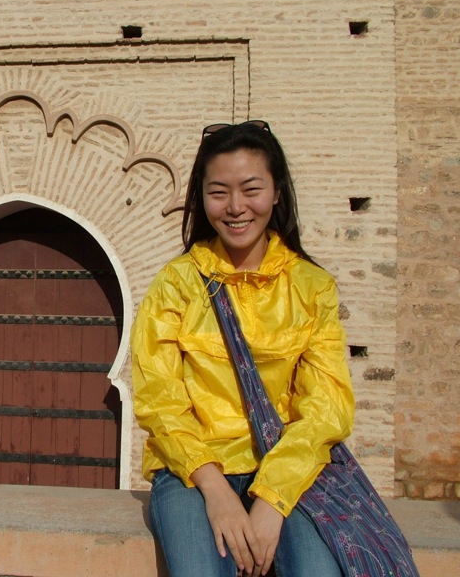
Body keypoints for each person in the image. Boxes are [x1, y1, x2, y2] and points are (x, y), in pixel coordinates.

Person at [131, 121, 355, 577]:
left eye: (251, 189)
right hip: (192, 472)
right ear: (201, 198)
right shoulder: (176, 284)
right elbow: (159, 400)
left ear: (276, 193)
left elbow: (327, 408)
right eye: (219, 192)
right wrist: (215, 490)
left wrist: (272, 500)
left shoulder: (312, 288)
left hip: (287, 469)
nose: (236, 207)